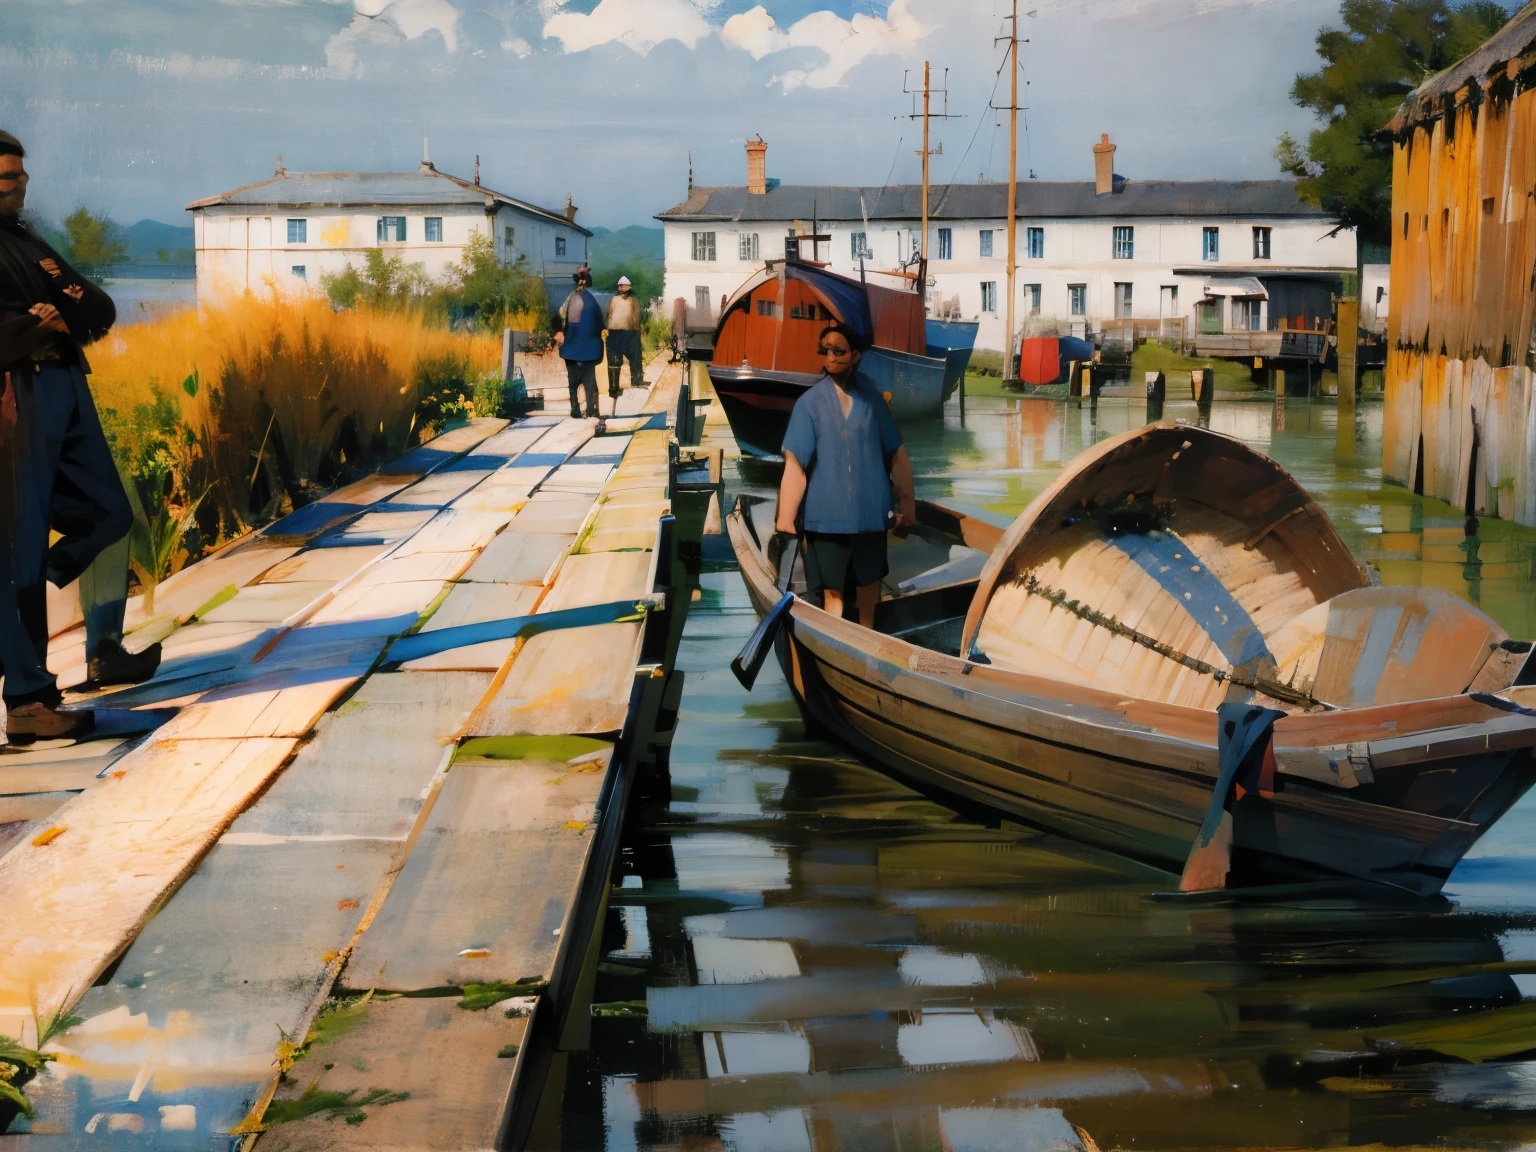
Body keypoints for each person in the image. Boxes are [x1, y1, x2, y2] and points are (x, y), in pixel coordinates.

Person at [0, 129, 157, 742]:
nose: (16, 186)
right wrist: (28, 325)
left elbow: (95, 306)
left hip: (64, 386)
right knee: (12, 554)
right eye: (5, 178)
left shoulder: (27, 241)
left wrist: (52, 318)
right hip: (17, 399)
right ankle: (31, 702)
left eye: (19, 176)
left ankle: (45, 591)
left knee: (109, 512)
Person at [775, 321, 917, 628]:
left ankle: (867, 641)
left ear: (855, 356)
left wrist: (908, 508)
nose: (831, 357)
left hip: (871, 517)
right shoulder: (809, 404)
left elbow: (897, 456)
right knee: (833, 594)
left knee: (869, 588)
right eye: (825, 351)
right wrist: (786, 519)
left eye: (839, 351)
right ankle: (835, 642)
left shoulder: (874, 402)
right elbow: (795, 465)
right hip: (826, 518)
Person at [553, 266, 603, 418]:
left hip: (589, 346)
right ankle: (575, 409)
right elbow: (559, 317)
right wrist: (558, 332)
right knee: (573, 381)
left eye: (584, 279)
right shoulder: (570, 297)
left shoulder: (595, 298)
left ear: (588, 281)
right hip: (572, 346)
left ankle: (592, 410)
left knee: (589, 382)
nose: (581, 282)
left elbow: (601, 322)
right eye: (579, 279)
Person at [605, 274, 644, 397]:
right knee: (613, 362)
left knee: (635, 358)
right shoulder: (614, 299)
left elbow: (636, 317)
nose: (622, 288)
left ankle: (636, 382)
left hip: (630, 332)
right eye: (621, 286)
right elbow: (609, 315)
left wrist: (636, 332)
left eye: (625, 286)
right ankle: (613, 389)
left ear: (629, 287)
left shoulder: (633, 300)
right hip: (615, 333)